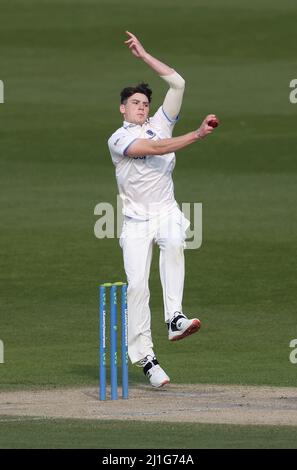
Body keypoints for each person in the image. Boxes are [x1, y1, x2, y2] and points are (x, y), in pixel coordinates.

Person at [108, 31, 219, 388]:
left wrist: (144, 55)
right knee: (137, 288)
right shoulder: (119, 138)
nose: (141, 107)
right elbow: (154, 150)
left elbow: (178, 83)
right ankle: (147, 359)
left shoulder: (160, 123)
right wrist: (197, 135)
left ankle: (175, 318)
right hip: (135, 221)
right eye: (135, 103)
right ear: (123, 108)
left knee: (175, 239)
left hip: (165, 210)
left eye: (144, 103)